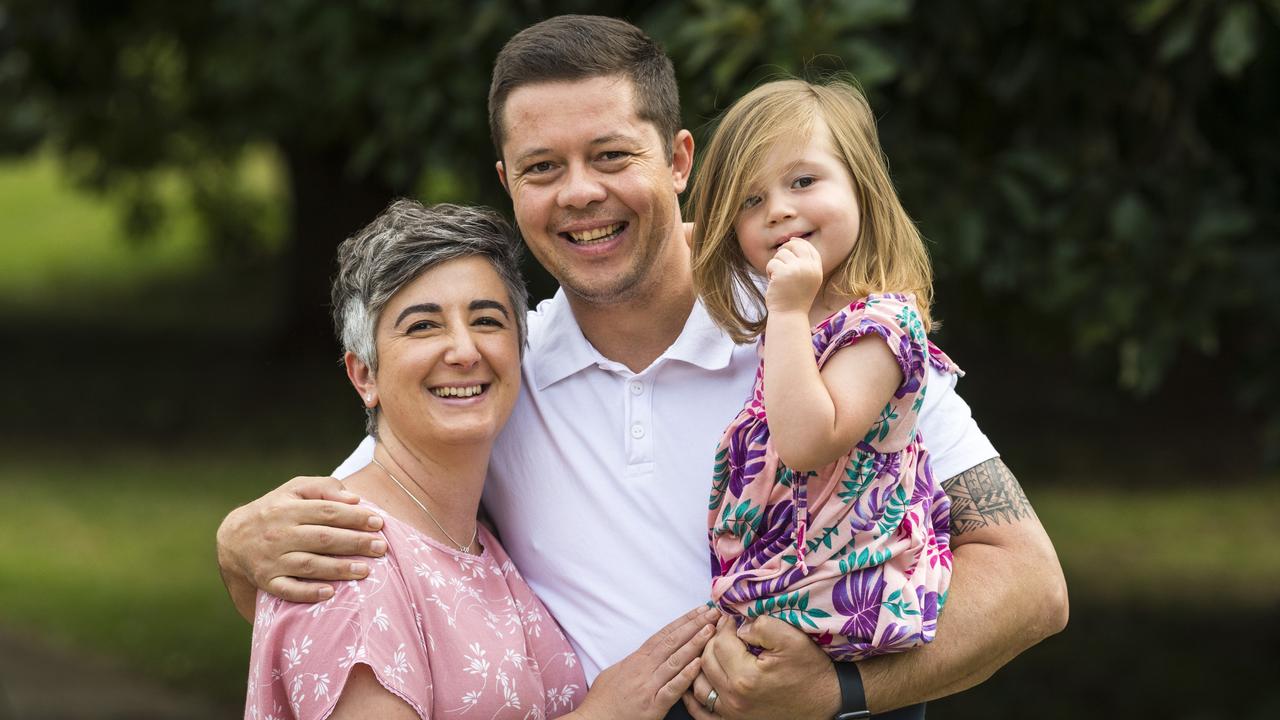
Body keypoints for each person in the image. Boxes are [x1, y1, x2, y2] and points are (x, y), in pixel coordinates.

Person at [217, 15, 1068, 719]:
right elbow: (351, 533)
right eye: (544, 168)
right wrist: (236, 545)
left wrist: (836, 689)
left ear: (680, 160)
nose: (580, 193)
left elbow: (1030, 582)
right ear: (509, 183)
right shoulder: (495, 374)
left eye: (612, 155)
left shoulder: (823, 331)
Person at [244, 199, 718, 719]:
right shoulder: (341, 563)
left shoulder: (477, 540)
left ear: (521, 351)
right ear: (365, 376)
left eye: (487, 319)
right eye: (423, 326)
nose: (464, 351)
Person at [689, 77, 958, 662]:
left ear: (861, 187)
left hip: (842, 601)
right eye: (748, 201)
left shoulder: (880, 326)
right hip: (790, 586)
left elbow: (808, 441)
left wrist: (784, 311)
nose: (778, 209)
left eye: (803, 182)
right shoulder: (806, 314)